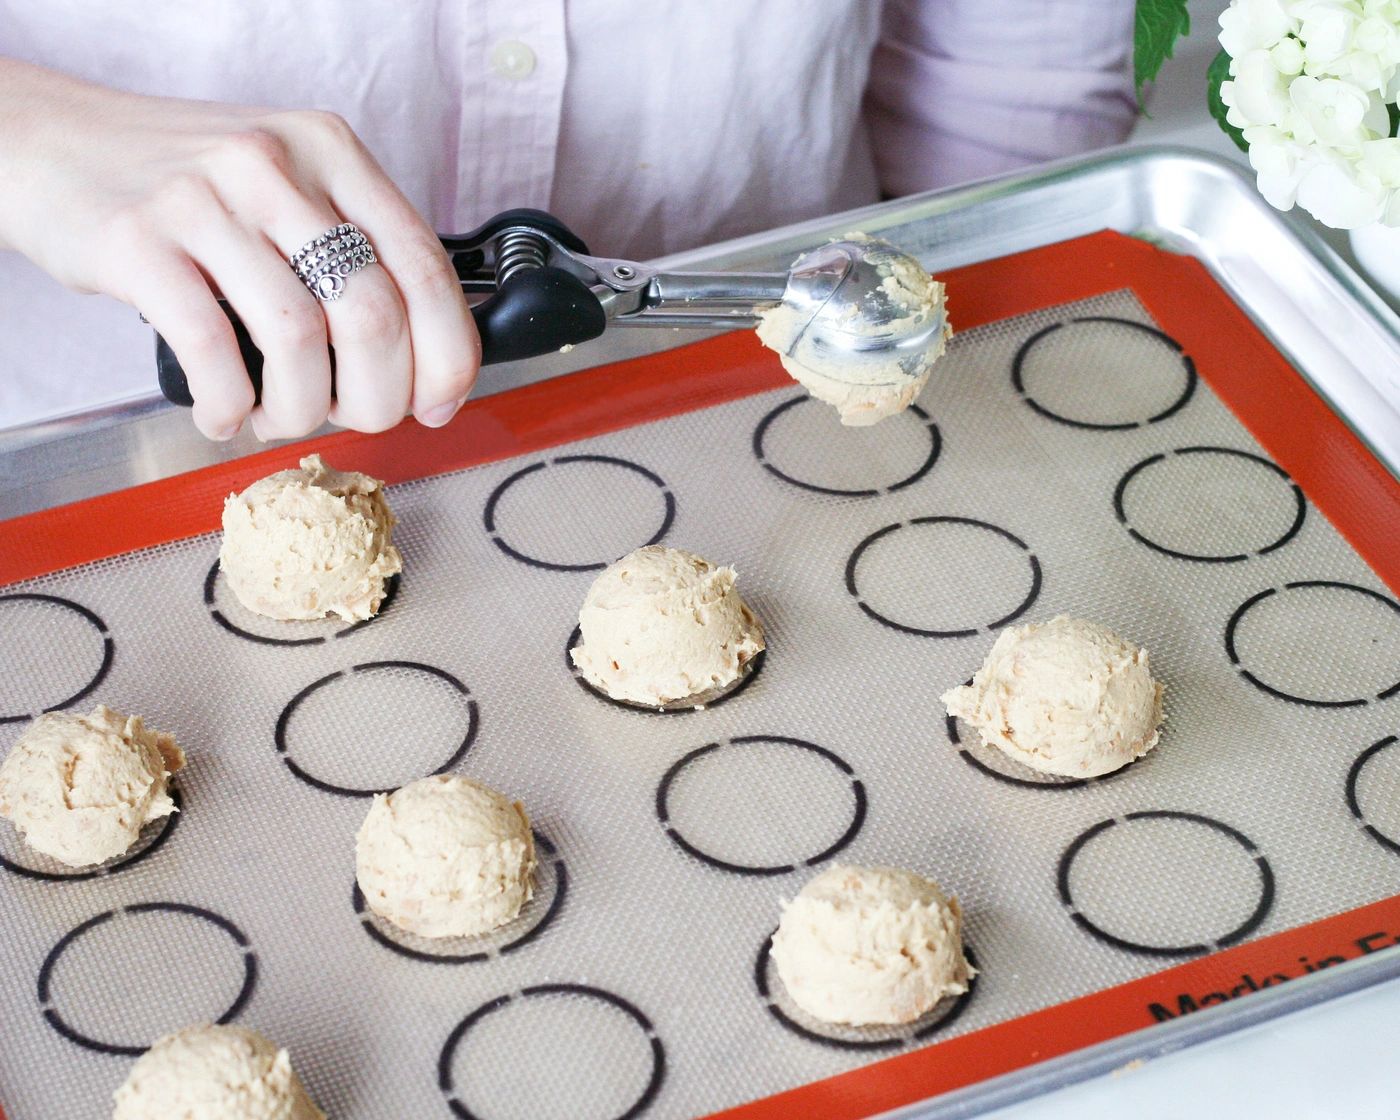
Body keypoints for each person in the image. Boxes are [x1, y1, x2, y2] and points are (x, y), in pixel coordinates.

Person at [0, 1, 1136, 440]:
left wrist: (979, 378)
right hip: (100, 474)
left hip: (780, 436)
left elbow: (1003, 75)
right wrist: (30, 130)